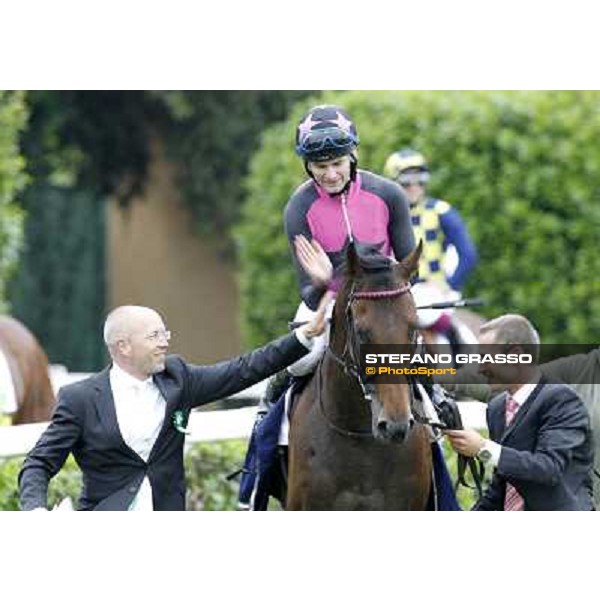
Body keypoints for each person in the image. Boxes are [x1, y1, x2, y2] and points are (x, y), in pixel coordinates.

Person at [18, 304, 326, 511]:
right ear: (123, 346)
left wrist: (302, 336)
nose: (165, 341)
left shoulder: (179, 379)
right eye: (154, 335)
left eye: (165, 333)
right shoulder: (79, 399)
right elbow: (38, 464)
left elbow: (243, 369)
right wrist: (36, 514)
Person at [444, 314, 594, 510]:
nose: (480, 368)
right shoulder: (497, 408)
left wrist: (482, 448)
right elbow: (503, 487)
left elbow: (548, 469)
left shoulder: (561, 400)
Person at [383, 148, 478, 348]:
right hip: (395, 290)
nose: (414, 186)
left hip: (433, 288)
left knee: (423, 314)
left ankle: (455, 340)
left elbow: (468, 254)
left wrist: (450, 285)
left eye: (420, 180)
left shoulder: (441, 211)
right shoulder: (382, 216)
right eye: (406, 181)